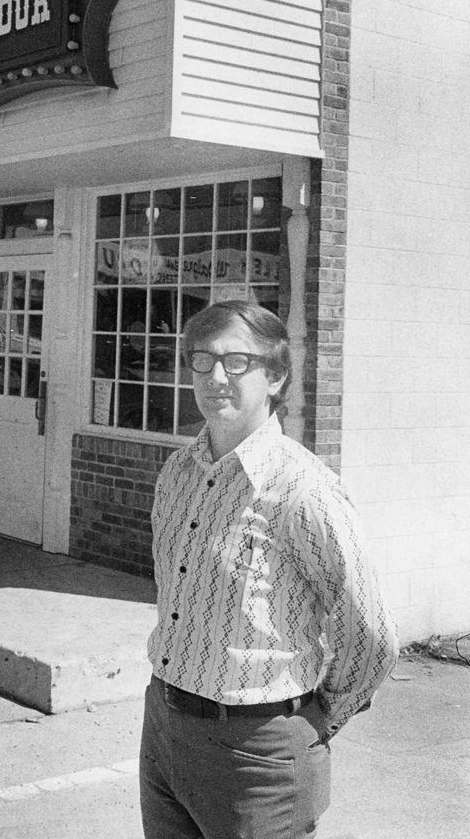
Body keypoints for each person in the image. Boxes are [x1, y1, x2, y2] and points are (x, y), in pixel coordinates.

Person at [140, 300, 398, 839]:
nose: (216, 377)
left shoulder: (302, 489)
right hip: (164, 727)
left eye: (237, 362)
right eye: (202, 360)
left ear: (275, 376)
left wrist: (318, 719)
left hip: (259, 754)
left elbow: (370, 633)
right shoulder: (178, 472)